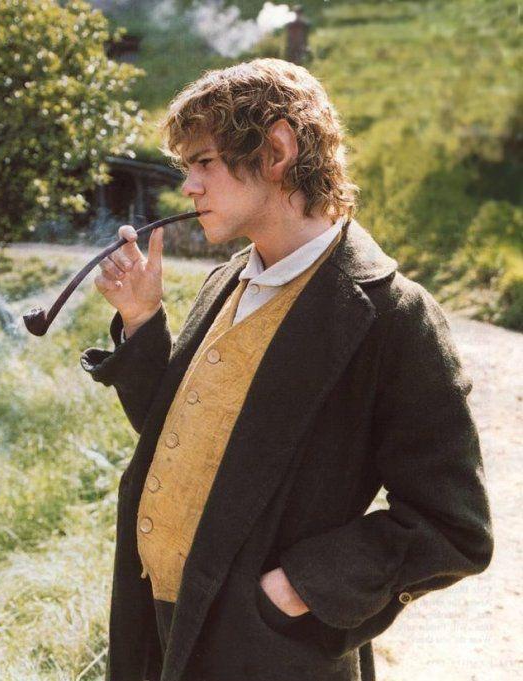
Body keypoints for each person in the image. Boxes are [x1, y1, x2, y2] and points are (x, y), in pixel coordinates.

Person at [80, 58, 493, 681]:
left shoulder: (392, 316)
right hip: (157, 626)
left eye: (204, 162)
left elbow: (453, 525)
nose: (188, 187)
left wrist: (296, 591)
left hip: (269, 651)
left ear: (276, 150)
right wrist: (140, 319)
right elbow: (183, 436)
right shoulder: (226, 282)